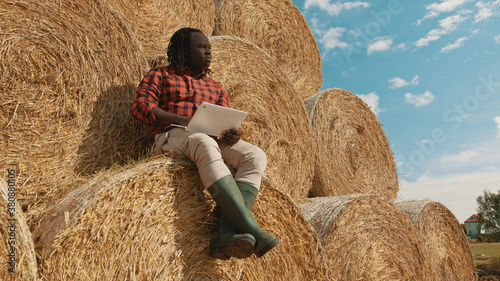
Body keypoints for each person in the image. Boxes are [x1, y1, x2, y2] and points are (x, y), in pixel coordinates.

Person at [132, 28, 279, 259]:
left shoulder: (216, 87)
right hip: (170, 136)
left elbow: (227, 120)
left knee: (255, 155)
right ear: (183, 51)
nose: (209, 51)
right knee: (201, 140)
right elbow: (141, 107)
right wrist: (183, 120)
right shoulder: (160, 75)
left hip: (211, 138)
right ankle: (252, 229)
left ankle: (226, 232)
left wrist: (233, 134)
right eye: (201, 47)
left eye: (209, 47)